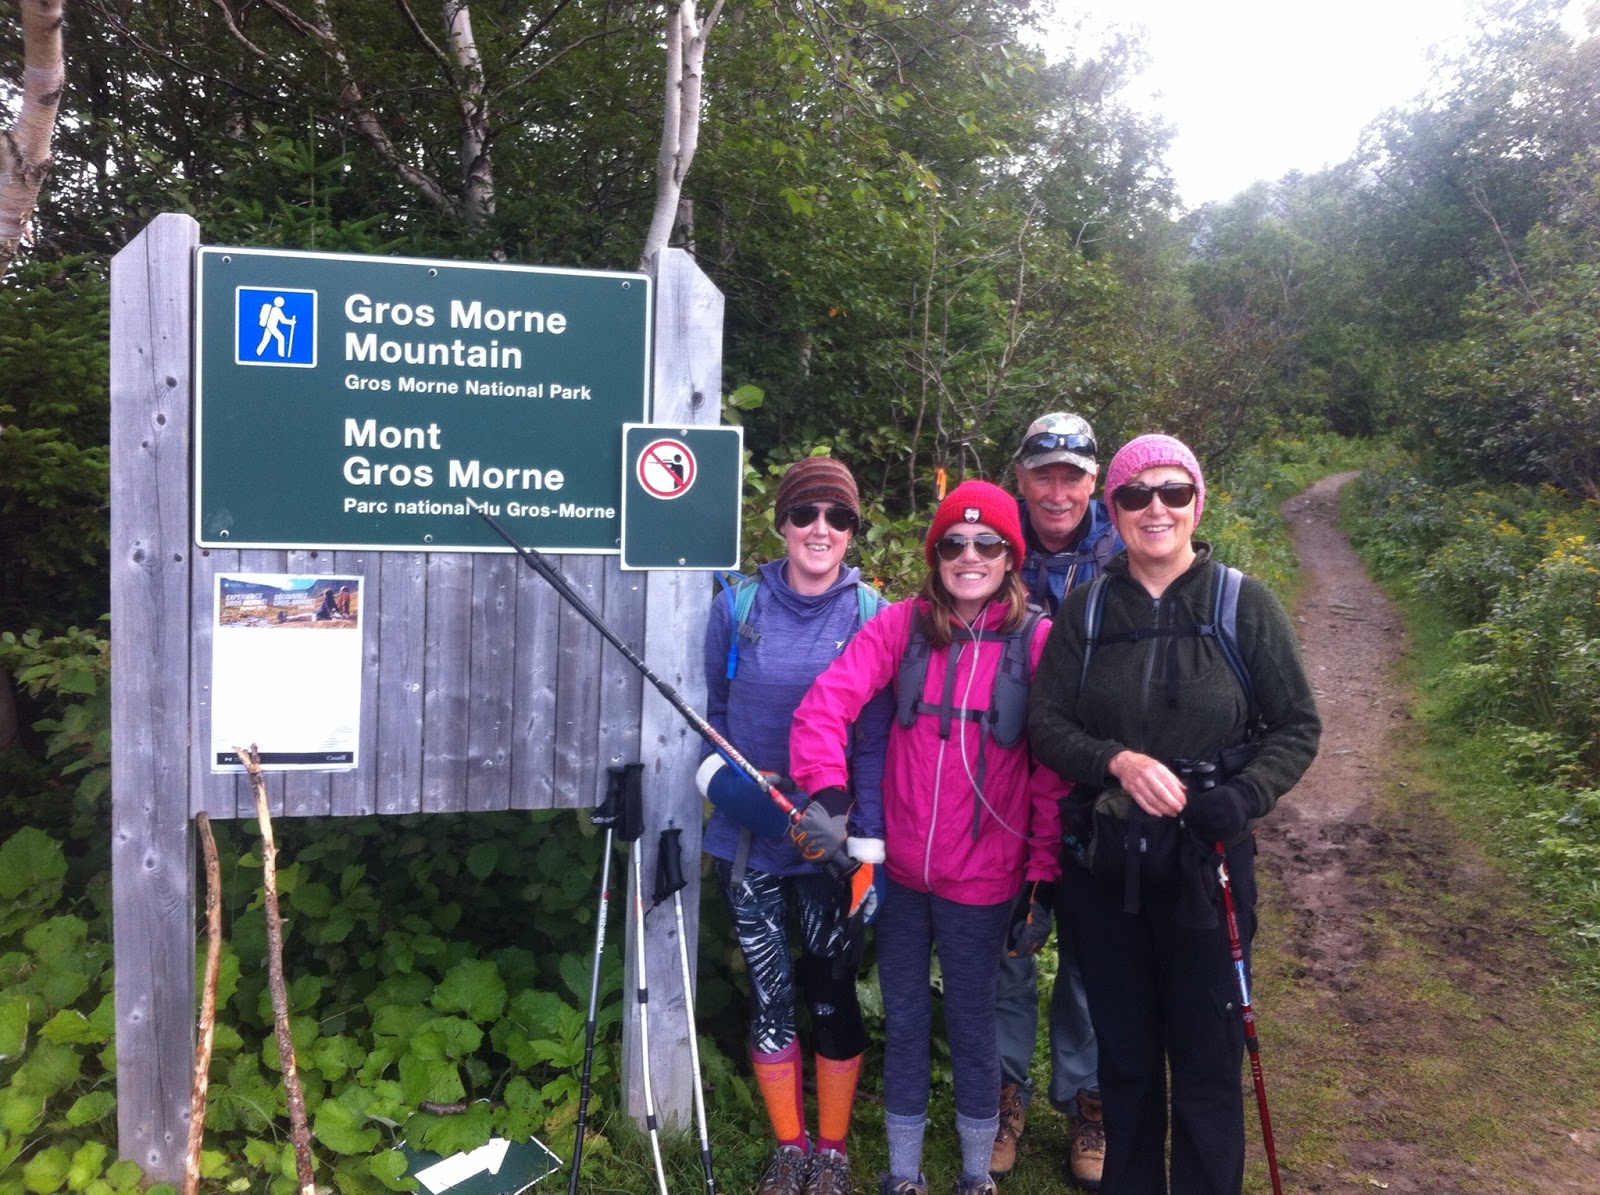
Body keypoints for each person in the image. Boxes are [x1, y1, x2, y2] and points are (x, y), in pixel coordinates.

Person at [1026, 434, 1321, 1194]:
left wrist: (1245, 795)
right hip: (1107, 862)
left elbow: (1296, 725)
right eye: (1135, 494)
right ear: (1115, 510)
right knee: (1125, 1061)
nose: (1155, 508)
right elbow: (1047, 724)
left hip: (1208, 864)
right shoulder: (1088, 609)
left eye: (1173, 492)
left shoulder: (1243, 603)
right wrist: (1116, 761)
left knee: (1207, 1060)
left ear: (1197, 503)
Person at [789, 479, 1067, 1195]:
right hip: (903, 875)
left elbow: (1053, 776)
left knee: (973, 1028)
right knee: (907, 1024)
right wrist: (827, 791)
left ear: (1010, 556)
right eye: (953, 543)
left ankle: (976, 1176)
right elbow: (825, 705)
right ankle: (903, 1173)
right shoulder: (901, 627)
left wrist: (1042, 877)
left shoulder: (1037, 642)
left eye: (986, 543)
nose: (969, 556)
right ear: (935, 555)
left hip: (986, 880)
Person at [697, 455, 892, 1195]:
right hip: (750, 843)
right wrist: (743, 795)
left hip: (834, 847)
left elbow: (874, 740)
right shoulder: (737, 607)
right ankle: (790, 1147)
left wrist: (864, 849)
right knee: (770, 995)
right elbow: (712, 720)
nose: (820, 528)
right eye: (805, 512)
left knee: (832, 991)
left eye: (837, 516)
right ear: (781, 522)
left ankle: (832, 1151)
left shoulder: (872, 614)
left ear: (852, 529)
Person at [993, 412, 1121, 1189]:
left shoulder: (1124, 550)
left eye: (1072, 475)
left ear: (1093, 481)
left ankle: (1088, 1102)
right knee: (1010, 941)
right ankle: (1004, 1092)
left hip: (1098, 783)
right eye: (1043, 472)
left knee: (1089, 954)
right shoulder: (987, 545)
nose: (1056, 490)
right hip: (1006, 783)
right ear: (1021, 475)